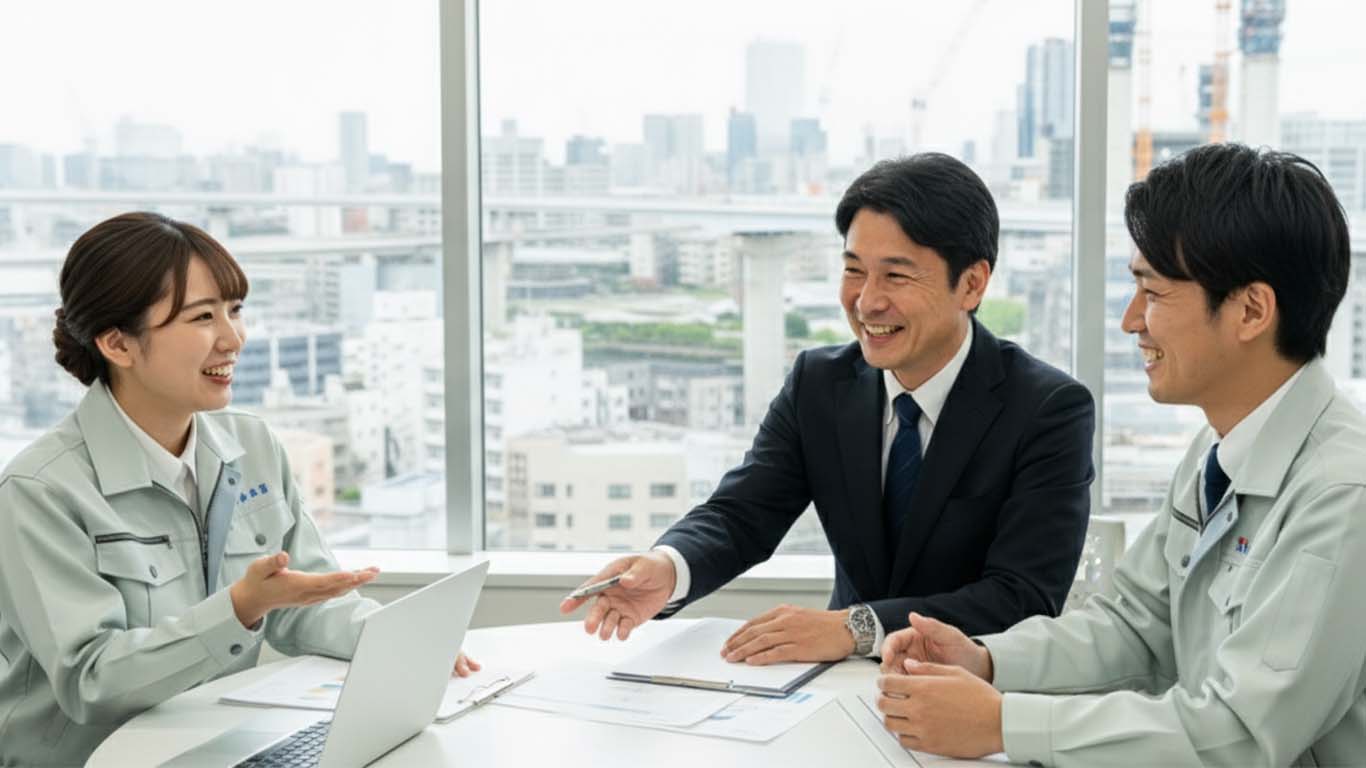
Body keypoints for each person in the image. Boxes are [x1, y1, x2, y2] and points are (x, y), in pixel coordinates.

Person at [875, 143, 1366, 766]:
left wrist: (1006, 725)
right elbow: (1134, 624)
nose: (1132, 320)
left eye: (1153, 293)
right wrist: (987, 660)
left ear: (1250, 310)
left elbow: (1243, 732)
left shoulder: (1342, 495)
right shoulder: (1219, 449)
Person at [561, 153, 1095, 665]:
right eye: (854, 270)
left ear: (972, 284)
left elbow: (1022, 597)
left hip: (975, 701)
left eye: (896, 275)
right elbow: (743, 514)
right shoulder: (819, 383)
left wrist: (854, 627)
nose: (866, 301)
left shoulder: (1047, 409)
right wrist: (668, 567)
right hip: (836, 687)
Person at [0, 213, 477, 766]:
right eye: (202, 317)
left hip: (212, 747)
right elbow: (91, 680)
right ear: (118, 344)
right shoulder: (40, 490)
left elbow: (301, 605)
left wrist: (400, 643)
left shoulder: (252, 443)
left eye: (235, 310)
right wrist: (240, 608)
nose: (233, 338)